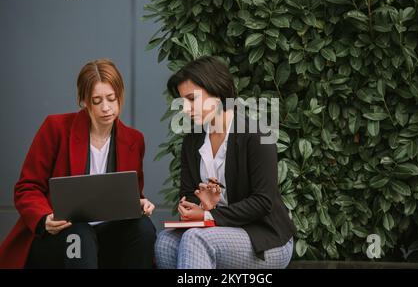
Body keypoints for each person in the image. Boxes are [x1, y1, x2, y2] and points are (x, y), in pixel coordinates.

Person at [0, 59, 156, 268]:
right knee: (79, 235)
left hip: (108, 235)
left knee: (143, 228)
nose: (106, 108)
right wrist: (44, 219)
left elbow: (128, 192)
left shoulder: (133, 140)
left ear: (120, 96)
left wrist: (139, 203)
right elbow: (27, 187)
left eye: (111, 98)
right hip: (62, 235)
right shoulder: (55, 128)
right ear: (83, 100)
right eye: (97, 100)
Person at [155, 56, 295, 269]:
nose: (185, 108)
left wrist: (209, 214)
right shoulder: (192, 141)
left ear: (217, 93)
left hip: (264, 238)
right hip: (216, 231)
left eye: (192, 99)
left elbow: (262, 201)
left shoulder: (256, 135)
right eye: (183, 101)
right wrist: (197, 205)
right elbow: (187, 192)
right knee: (165, 242)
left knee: (196, 239)